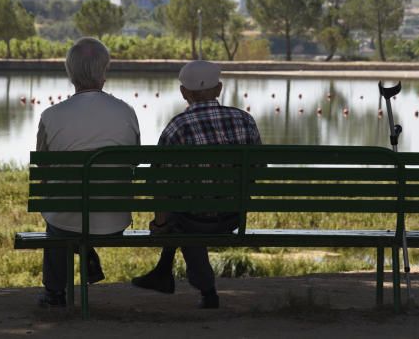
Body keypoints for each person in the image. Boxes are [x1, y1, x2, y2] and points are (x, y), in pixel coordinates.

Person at [131, 60, 261, 309]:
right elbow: (257, 170)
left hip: (193, 219)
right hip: (234, 216)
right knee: (190, 212)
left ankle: (201, 288)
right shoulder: (245, 120)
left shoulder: (177, 127)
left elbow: (159, 181)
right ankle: (175, 279)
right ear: (219, 89)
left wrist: (160, 224)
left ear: (184, 93)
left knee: (186, 218)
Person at [35, 37, 141, 308]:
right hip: (113, 219)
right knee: (71, 211)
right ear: (104, 71)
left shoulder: (50, 115)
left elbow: (43, 168)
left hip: (67, 220)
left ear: (70, 73)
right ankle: (87, 250)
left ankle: (55, 293)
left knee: (59, 217)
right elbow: (135, 161)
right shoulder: (126, 112)